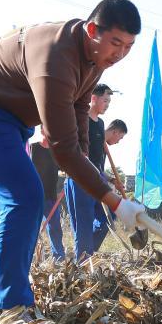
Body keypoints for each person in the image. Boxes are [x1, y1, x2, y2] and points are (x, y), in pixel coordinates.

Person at [0, 0, 145, 315]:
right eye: (116, 43)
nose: (121, 54)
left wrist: (84, 156)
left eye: (129, 46)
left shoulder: (95, 58)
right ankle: (11, 306)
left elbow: (79, 107)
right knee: (24, 195)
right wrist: (117, 203)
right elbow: (62, 149)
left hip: (13, 119)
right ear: (93, 30)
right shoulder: (57, 58)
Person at [65, 84, 115, 261]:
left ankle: (85, 255)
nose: (107, 104)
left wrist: (107, 177)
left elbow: (98, 156)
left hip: (97, 181)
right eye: (105, 100)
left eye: (109, 101)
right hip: (80, 179)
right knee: (83, 225)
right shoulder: (80, 118)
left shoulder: (100, 124)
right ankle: (83, 261)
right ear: (93, 98)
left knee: (107, 220)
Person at [30, 128, 66, 261]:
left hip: (50, 197)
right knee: (30, 228)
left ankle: (59, 257)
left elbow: (65, 168)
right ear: (42, 131)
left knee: (55, 227)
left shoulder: (56, 153)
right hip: (33, 197)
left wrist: (69, 175)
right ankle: (29, 256)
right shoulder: (32, 149)